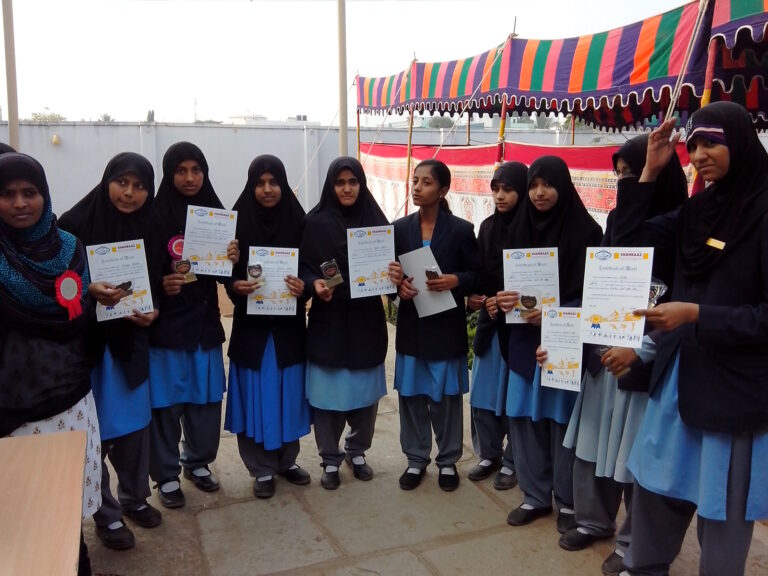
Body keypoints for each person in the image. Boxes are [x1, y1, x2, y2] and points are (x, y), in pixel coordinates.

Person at [612, 102, 768, 576]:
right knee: (655, 489)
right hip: (679, 379)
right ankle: (643, 567)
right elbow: (627, 246)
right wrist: (648, 174)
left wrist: (697, 315)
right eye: (693, 144)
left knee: (723, 509)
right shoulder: (699, 208)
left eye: (711, 142)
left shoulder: (764, 211)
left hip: (733, 391)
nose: (699, 153)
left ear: (739, 142)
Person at [548, 137, 688, 574]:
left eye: (637, 173)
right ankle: (594, 520)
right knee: (593, 440)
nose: (626, 182)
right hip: (603, 348)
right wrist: (569, 337)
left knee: (633, 453)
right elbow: (602, 277)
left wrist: (642, 350)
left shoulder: (684, 230)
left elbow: (681, 303)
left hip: (644, 358)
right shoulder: (618, 222)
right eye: (622, 174)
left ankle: (633, 542)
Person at [0, 152, 100, 576]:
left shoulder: (70, 248)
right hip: (13, 410)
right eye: (6, 195)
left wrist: (96, 297)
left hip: (69, 403)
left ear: (45, 195)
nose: (20, 203)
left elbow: (77, 321)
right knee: (20, 518)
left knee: (65, 513)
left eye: (30, 192)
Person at [59, 153, 163, 550]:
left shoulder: (153, 226)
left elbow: (162, 283)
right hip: (87, 351)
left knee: (135, 430)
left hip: (130, 345)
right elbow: (58, 286)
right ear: (107, 181)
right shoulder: (72, 226)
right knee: (92, 436)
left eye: (140, 186)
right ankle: (107, 516)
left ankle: (135, 499)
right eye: (122, 182)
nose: (130, 193)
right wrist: (87, 291)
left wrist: (156, 312)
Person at [498, 156, 602, 531]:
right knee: (525, 419)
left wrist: (558, 313)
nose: (539, 193)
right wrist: (503, 300)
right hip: (525, 341)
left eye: (548, 184)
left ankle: (568, 501)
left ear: (564, 185)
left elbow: (597, 296)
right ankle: (535, 496)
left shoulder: (587, 233)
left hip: (565, 343)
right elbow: (505, 285)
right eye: (533, 185)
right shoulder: (517, 231)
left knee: (562, 423)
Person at [147, 142, 239, 508]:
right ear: (170, 173)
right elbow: (139, 274)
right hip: (166, 329)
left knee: (204, 400)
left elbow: (223, 278)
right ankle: (166, 475)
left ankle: (197, 462)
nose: (189, 178)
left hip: (203, 325)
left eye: (196, 170)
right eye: (181, 170)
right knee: (167, 404)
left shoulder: (214, 214)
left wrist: (232, 259)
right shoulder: (152, 216)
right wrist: (160, 286)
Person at [300, 156, 396, 490]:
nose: (346, 188)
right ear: (330, 185)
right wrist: (314, 284)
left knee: (365, 395)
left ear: (361, 184)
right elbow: (303, 267)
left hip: (366, 321)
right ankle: (329, 458)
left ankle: (357, 452)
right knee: (327, 397)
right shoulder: (314, 223)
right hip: (329, 320)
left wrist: (394, 275)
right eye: (340, 182)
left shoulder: (375, 221)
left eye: (352, 182)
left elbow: (392, 268)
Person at [225, 155, 312, 499]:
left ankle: (287, 461)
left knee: (288, 394)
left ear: (283, 184)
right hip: (253, 330)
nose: (267, 189)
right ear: (251, 186)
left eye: (273, 182)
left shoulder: (301, 222)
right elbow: (225, 275)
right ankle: (261, 468)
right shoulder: (235, 226)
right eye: (260, 183)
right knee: (255, 396)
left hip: (289, 328)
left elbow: (310, 267)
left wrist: (303, 285)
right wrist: (235, 284)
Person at [392, 159, 481, 492]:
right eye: (415, 181)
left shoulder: (460, 229)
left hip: (446, 326)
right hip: (413, 325)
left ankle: (448, 461)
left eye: (426, 182)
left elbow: (477, 273)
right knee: (412, 397)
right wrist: (397, 287)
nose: (417, 187)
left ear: (443, 190)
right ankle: (416, 460)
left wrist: (456, 279)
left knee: (445, 400)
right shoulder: (399, 228)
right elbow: (390, 276)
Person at [466, 162, 527, 490]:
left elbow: (538, 280)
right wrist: (480, 297)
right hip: (492, 324)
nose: (500, 196)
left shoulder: (532, 228)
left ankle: (514, 461)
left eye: (508, 189)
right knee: (485, 393)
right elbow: (480, 273)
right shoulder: (488, 227)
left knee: (515, 398)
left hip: (522, 328)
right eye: (495, 189)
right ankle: (488, 454)